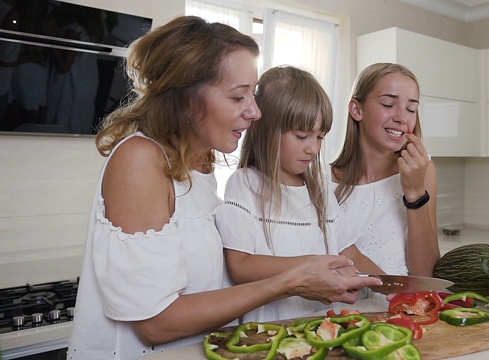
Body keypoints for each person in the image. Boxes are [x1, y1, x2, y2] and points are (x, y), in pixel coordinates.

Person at [66, 17, 382, 360]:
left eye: (253, 93)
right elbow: (154, 323)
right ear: (188, 98)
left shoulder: (199, 165)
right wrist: (290, 282)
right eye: (237, 97)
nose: (255, 112)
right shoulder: (139, 159)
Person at [215, 66, 384, 322]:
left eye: (320, 137)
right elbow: (240, 265)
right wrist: (312, 267)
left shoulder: (321, 191)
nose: (313, 148)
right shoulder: (245, 184)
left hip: (322, 326)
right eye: (302, 136)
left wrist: (393, 285)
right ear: (262, 129)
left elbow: (350, 254)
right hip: (268, 332)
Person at [330, 63, 440, 278]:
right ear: (357, 109)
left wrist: (415, 193)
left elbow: (425, 274)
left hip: (397, 308)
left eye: (411, 109)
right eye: (389, 104)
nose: (402, 117)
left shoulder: (423, 170)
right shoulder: (321, 180)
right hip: (340, 311)